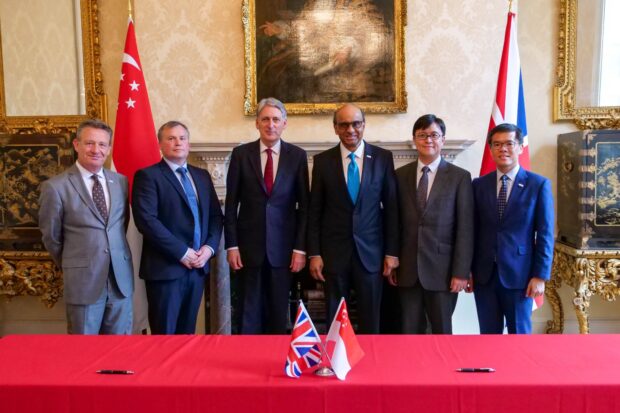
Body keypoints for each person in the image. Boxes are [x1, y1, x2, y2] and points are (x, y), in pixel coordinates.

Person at [307, 103, 399, 334]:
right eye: (344, 124)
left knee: (371, 320)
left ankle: (371, 365)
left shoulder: (382, 158)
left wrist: (391, 253)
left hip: (371, 254)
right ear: (335, 128)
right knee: (336, 320)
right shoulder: (322, 162)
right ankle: (335, 364)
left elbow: (391, 209)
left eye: (356, 123)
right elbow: (315, 211)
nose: (351, 130)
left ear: (364, 125)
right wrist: (315, 253)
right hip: (334, 255)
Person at [39, 119, 134, 334]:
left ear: (109, 149)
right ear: (76, 145)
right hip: (83, 281)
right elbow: (51, 237)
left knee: (120, 350)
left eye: (102, 144)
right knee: (83, 351)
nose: (96, 150)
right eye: (89, 143)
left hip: (120, 280)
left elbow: (119, 225)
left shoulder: (120, 182)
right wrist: (75, 263)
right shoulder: (55, 187)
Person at [225, 98, 309, 334]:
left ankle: (273, 362)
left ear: (284, 123)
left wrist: (300, 249)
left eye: (275, 119)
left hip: (284, 251)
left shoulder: (297, 156)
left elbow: (304, 207)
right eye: (265, 119)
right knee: (247, 315)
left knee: (278, 315)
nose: (270, 124)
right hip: (248, 250)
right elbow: (231, 204)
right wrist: (231, 246)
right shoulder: (241, 154)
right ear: (257, 123)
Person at [132, 121, 223, 334]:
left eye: (182, 138)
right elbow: (146, 220)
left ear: (188, 144)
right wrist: (182, 252)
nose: (177, 143)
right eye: (171, 138)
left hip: (197, 269)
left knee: (187, 335)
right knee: (164, 336)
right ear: (160, 145)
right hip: (165, 269)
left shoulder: (201, 176)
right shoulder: (148, 176)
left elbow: (216, 217)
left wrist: (209, 249)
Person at [393, 114, 474, 334]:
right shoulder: (399, 175)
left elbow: (465, 229)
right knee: (409, 333)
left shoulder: (460, 177)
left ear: (443, 140)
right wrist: (392, 259)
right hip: (407, 270)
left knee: (442, 332)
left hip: (444, 272)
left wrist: (461, 272)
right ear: (414, 140)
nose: (428, 140)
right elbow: (393, 222)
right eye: (422, 135)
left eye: (434, 135)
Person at [472, 123, 554, 334]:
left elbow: (545, 234)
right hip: (484, 276)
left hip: (521, 276)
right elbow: (471, 231)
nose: (503, 149)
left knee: (519, 336)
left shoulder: (538, 185)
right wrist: (467, 270)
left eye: (509, 143)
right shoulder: (478, 185)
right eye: (497, 144)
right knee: (488, 336)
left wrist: (540, 276)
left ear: (520, 147)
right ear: (490, 149)